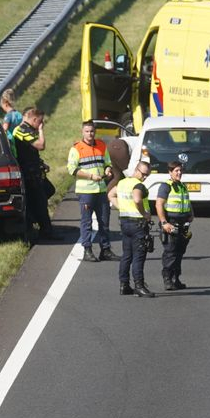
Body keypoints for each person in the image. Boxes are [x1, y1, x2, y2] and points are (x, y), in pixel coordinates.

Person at [68, 120, 115, 262]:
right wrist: (90, 176)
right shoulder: (76, 149)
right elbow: (72, 169)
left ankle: (105, 250)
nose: (90, 134)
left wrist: (108, 169)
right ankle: (87, 250)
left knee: (104, 221)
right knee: (86, 222)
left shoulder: (101, 145)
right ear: (83, 132)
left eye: (92, 131)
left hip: (101, 190)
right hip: (86, 192)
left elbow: (108, 162)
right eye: (87, 131)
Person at [109, 156, 155, 297]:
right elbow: (137, 199)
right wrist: (144, 214)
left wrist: (121, 207)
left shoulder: (122, 183)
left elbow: (111, 194)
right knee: (138, 256)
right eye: (143, 174)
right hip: (138, 223)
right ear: (136, 170)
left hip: (125, 222)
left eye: (147, 175)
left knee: (126, 255)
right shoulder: (138, 185)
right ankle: (139, 286)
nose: (144, 177)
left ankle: (124, 285)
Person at [10, 107, 55, 240]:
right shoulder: (22, 130)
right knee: (40, 202)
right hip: (28, 173)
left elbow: (31, 151)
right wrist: (40, 131)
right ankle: (45, 231)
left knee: (48, 191)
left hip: (34, 169)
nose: (42, 124)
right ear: (34, 119)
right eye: (40, 122)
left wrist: (41, 163)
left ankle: (34, 220)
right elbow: (40, 145)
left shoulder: (28, 129)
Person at [152, 159, 194, 290]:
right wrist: (164, 222)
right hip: (171, 223)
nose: (179, 173)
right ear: (170, 172)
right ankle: (167, 279)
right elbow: (159, 204)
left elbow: (187, 201)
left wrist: (191, 213)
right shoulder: (166, 186)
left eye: (181, 170)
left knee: (180, 252)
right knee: (170, 252)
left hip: (183, 224)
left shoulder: (182, 186)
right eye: (176, 170)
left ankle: (176, 279)